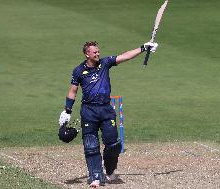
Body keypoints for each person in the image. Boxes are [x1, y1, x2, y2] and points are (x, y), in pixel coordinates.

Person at [59, 41, 158, 187]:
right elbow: (73, 91)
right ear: (87, 54)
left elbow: (125, 56)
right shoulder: (79, 71)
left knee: (113, 144)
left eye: (98, 51)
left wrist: (143, 48)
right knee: (91, 145)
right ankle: (96, 177)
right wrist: (67, 111)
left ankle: (110, 170)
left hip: (105, 110)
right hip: (89, 111)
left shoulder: (105, 63)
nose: (98, 54)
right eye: (95, 52)